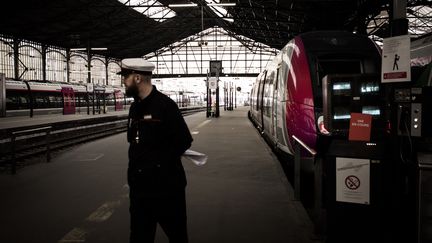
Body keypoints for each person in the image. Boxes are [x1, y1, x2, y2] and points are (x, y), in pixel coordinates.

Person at [118, 58, 193, 243]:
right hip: (140, 192)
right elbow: (135, 143)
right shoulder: (135, 108)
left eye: (125, 77)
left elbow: (184, 140)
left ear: (137, 78)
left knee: (177, 237)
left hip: (167, 190)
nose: (123, 82)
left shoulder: (165, 106)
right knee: (139, 237)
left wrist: (158, 165)